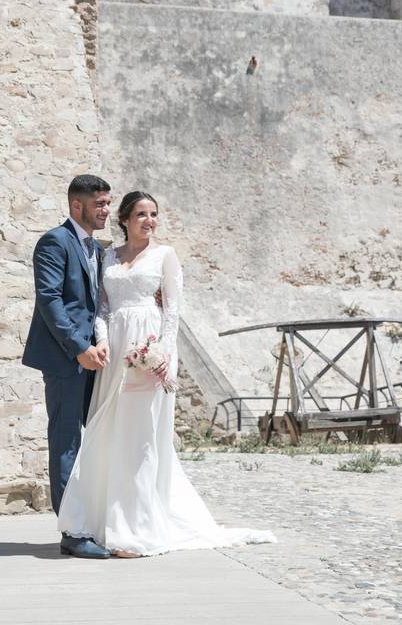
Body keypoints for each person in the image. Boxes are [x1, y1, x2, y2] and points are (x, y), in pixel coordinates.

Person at [57, 191, 276, 558]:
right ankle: (100, 523)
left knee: (141, 440)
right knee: (108, 435)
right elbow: (102, 309)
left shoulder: (165, 256)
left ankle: (137, 530)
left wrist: (163, 355)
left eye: (154, 214)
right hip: (115, 357)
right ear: (125, 219)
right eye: (141, 214)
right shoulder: (108, 256)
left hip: (150, 351)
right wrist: (103, 341)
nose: (149, 220)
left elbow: (173, 311)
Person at [22, 174, 113, 559]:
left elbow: (93, 304)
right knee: (66, 443)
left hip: (95, 358)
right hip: (65, 360)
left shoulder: (95, 247)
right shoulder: (54, 242)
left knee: (96, 439)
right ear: (78, 206)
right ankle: (72, 533)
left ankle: (93, 520)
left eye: (108, 203)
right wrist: (78, 348)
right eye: (100, 204)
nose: (107, 210)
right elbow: (50, 300)